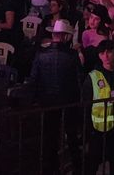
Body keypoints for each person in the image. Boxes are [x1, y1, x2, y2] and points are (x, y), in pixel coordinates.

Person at [28, 20, 84, 172]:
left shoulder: (41, 55)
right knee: (72, 138)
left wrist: (34, 99)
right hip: (68, 102)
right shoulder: (72, 55)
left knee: (50, 139)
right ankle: (78, 168)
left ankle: (51, 169)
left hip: (48, 102)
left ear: (53, 34)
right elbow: (79, 79)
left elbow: (33, 80)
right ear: (66, 37)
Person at [83, 41, 114, 175]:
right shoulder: (93, 76)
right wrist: (88, 128)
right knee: (93, 163)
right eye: (102, 53)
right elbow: (86, 104)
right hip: (98, 129)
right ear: (99, 55)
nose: (106, 56)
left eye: (109, 52)